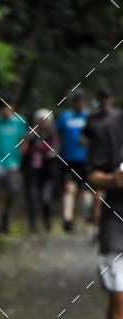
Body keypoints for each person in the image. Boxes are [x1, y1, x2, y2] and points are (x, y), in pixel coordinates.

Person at [86, 106, 123, 319]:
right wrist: (114, 180)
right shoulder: (108, 128)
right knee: (119, 297)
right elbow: (92, 175)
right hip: (116, 226)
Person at [0, 96, 28, 233]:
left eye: (8, 107)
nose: (6, 110)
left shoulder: (20, 122)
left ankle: (6, 215)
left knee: (12, 191)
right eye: (3, 107)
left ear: (12, 107)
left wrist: (21, 158)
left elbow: (23, 140)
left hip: (14, 163)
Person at [83, 89, 117, 238]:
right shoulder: (93, 118)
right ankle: (98, 229)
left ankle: (103, 228)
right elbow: (84, 138)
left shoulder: (116, 118)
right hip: (97, 162)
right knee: (98, 195)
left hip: (112, 161)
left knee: (103, 196)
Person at [57, 91, 91, 232]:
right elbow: (57, 136)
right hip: (69, 159)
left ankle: (87, 216)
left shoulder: (90, 117)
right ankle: (68, 219)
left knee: (86, 190)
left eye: (81, 101)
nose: (79, 104)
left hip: (87, 159)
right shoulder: (65, 117)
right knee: (69, 188)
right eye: (76, 101)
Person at [21, 109, 60, 232]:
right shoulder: (31, 135)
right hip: (32, 173)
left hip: (47, 173)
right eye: (41, 121)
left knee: (45, 198)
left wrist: (52, 153)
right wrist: (28, 137)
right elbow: (23, 149)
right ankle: (32, 224)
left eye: (46, 121)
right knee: (32, 198)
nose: (44, 123)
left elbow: (56, 149)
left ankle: (47, 219)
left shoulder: (52, 136)